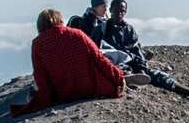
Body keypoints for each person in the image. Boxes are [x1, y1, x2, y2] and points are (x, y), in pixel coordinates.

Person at [10, 8, 140, 117]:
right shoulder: (77, 34)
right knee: (108, 58)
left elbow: (40, 76)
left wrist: (43, 98)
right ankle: (125, 72)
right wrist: (118, 77)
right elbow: (99, 59)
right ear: (60, 20)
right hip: (90, 88)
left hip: (63, 94)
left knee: (32, 91)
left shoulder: (37, 44)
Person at [104, 0, 189, 104]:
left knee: (158, 76)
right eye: (116, 10)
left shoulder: (128, 29)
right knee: (125, 70)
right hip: (115, 63)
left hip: (133, 62)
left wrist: (141, 66)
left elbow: (135, 49)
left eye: (122, 11)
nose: (119, 13)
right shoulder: (103, 29)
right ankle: (129, 79)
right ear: (110, 10)